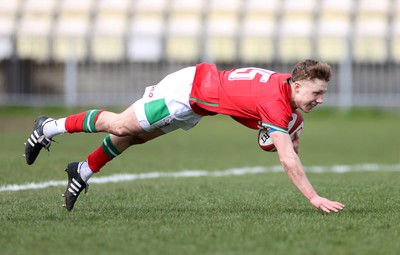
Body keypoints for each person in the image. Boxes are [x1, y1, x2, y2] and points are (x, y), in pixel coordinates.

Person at [24, 59, 345, 213]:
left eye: (323, 93)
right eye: (317, 92)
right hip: (185, 92)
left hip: (197, 102)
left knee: (135, 137)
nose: (321, 99)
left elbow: (256, 114)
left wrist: (289, 129)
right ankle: (48, 127)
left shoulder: (283, 91)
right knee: (121, 125)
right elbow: (287, 157)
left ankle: (82, 169)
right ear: (297, 85)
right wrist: (314, 198)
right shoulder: (277, 104)